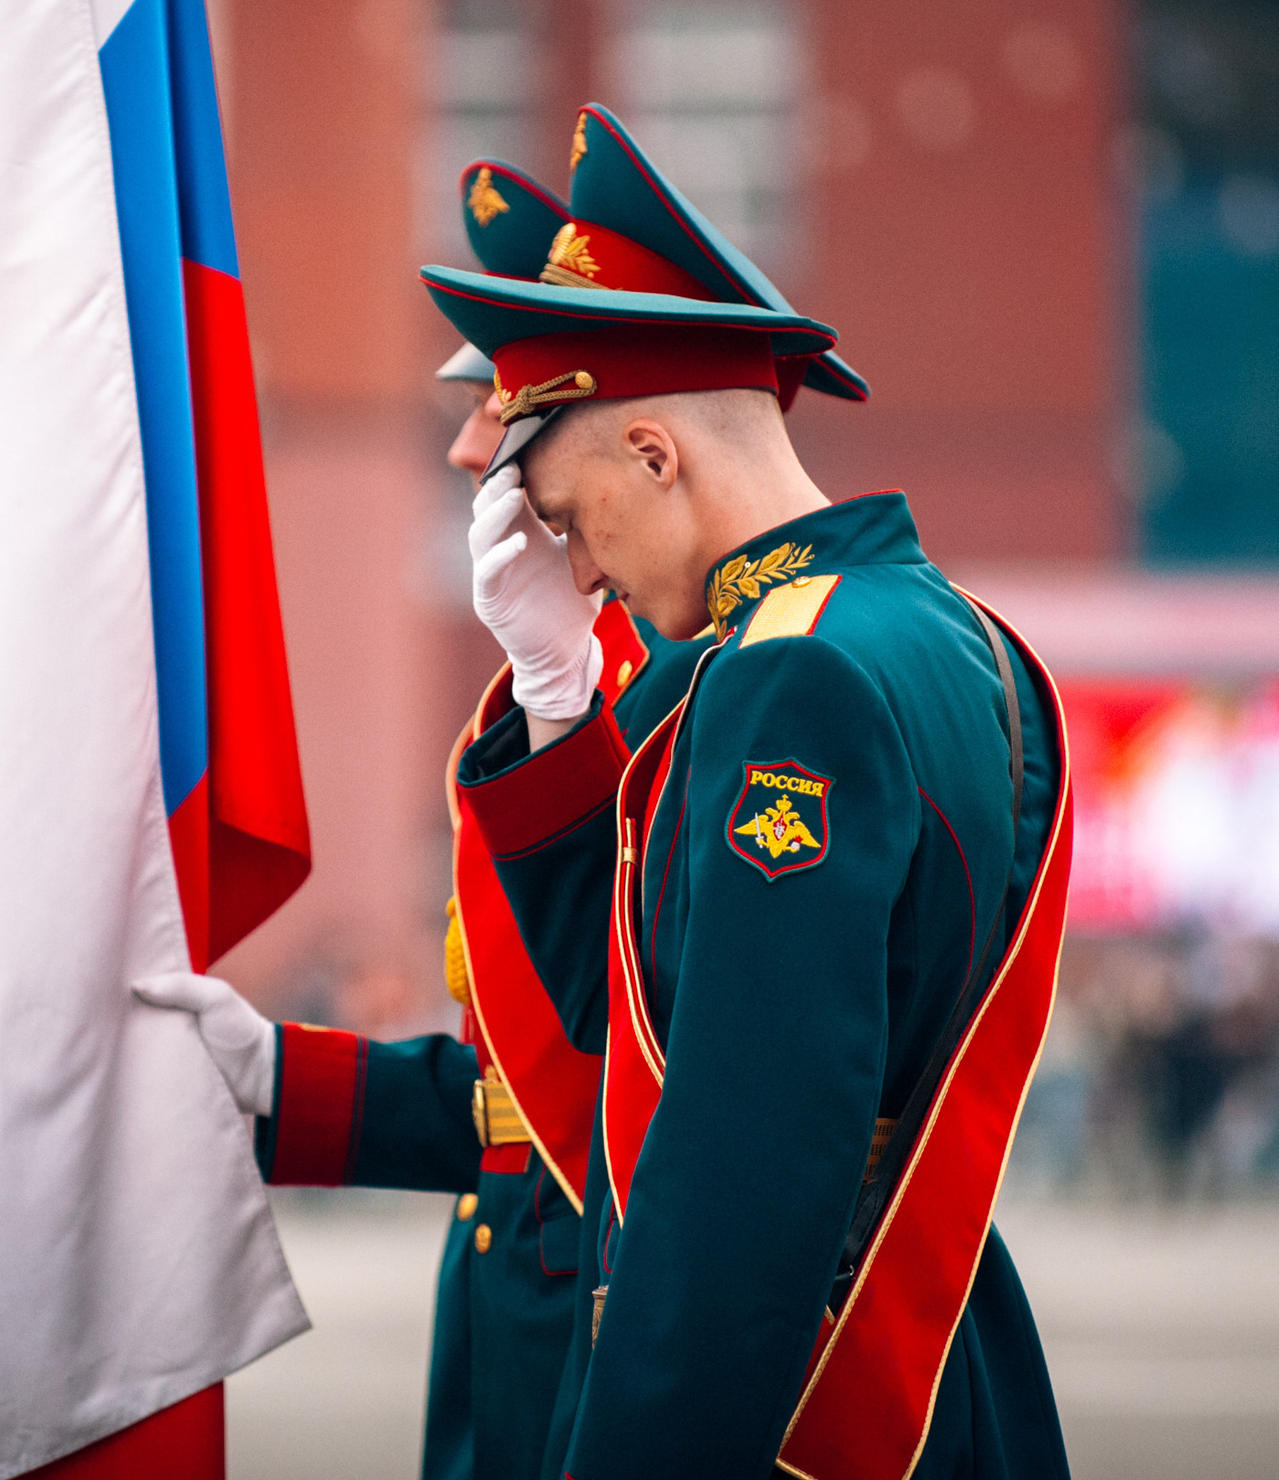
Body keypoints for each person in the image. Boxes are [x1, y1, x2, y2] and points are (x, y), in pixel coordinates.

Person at [141, 154, 870, 1480]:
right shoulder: (592, 669)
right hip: (522, 1306)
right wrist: (281, 1078)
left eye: (506, 400)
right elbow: (524, 1088)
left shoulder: (696, 676)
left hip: (607, 1319)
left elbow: (650, 1072)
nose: (472, 441)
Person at [441, 104, 1073, 1480]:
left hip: (803, 1399)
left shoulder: (795, 677)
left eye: (567, 514)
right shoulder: (911, 626)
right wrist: (557, 694)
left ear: (655, 455)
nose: (582, 573)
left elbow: (740, 1160)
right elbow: (619, 1023)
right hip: (886, 1353)